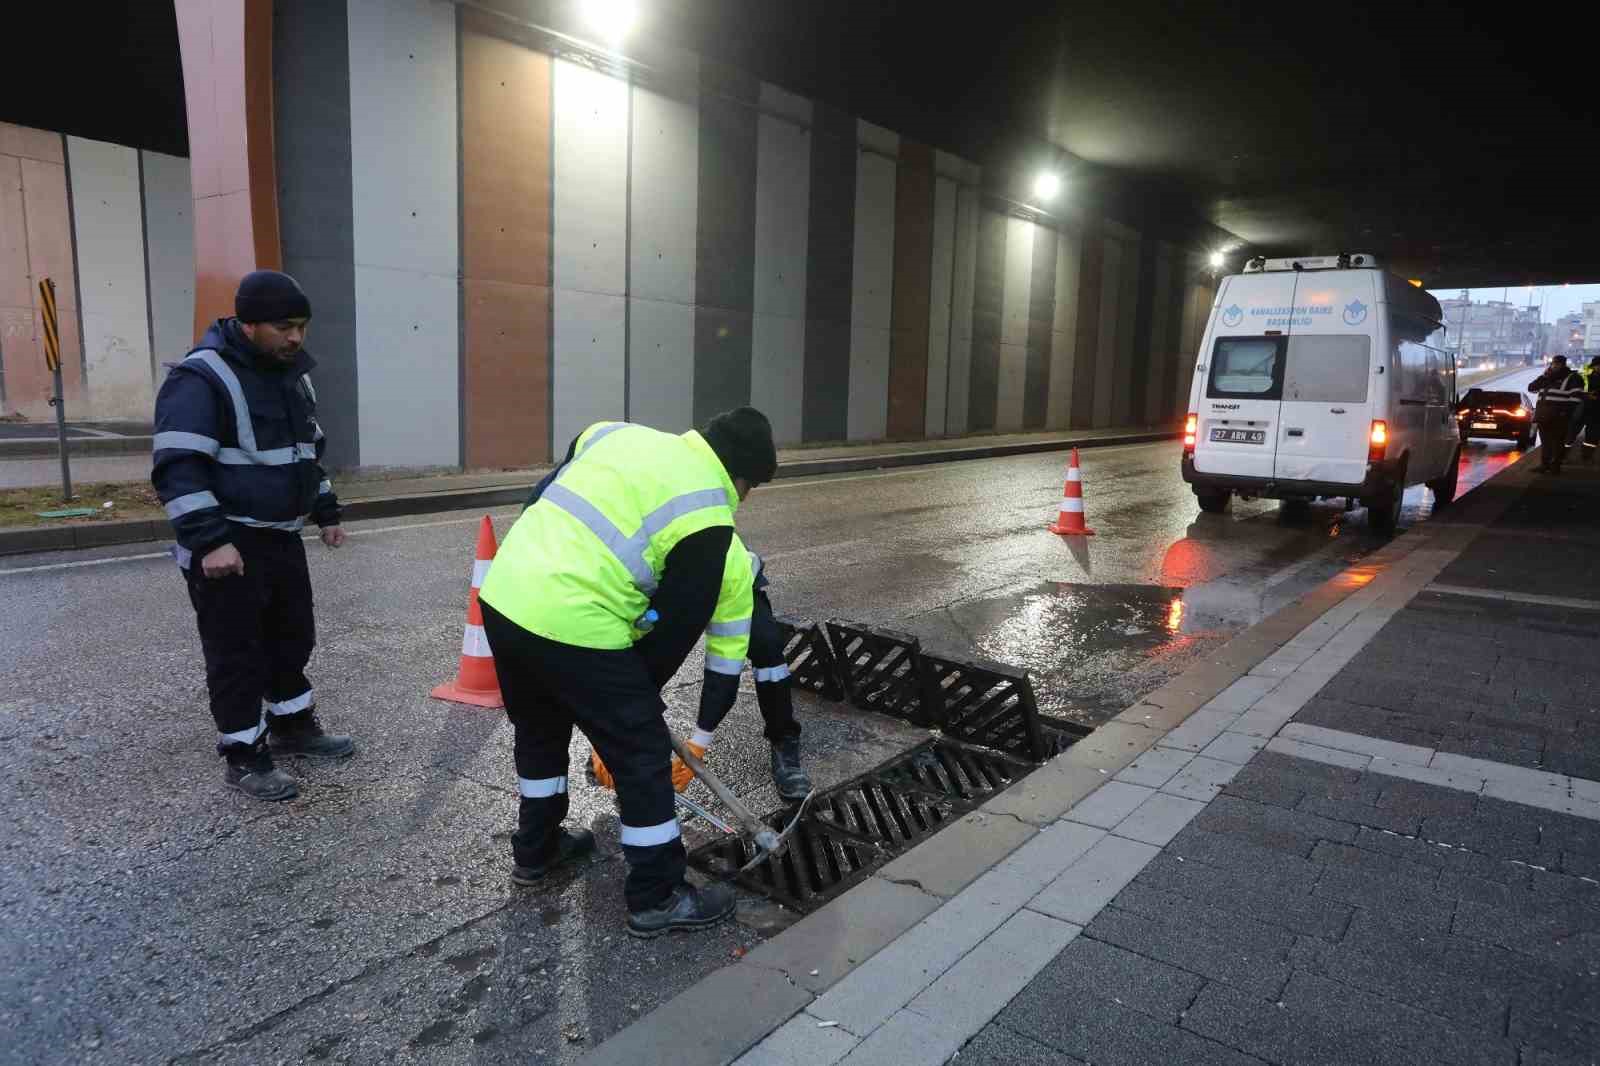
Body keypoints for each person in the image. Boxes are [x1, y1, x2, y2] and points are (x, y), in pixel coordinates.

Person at [479, 409, 778, 937]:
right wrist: (628, 715)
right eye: (750, 488)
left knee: (540, 729)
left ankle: (537, 848)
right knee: (641, 756)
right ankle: (658, 896)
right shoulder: (709, 519)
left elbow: (541, 497)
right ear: (740, 477)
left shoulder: (614, 434)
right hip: (577, 620)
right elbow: (672, 635)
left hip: (506, 596)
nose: (744, 499)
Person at [151, 270, 354, 802]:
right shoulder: (202, 378)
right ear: (247, 324)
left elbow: (307, 453)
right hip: (229, 543)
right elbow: (178, 467)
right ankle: (243, 755)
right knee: (237, 653)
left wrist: (326, 511)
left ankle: (292, 727)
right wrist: (210, 540)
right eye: (283, 327)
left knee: (292, 637)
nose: (295, 337)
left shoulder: (292, 376)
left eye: (301, 326)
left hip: (280, 538)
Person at [591, 534, 815, 803]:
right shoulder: (634, 566)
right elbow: (625, 653)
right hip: (666, 579)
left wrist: (699, 742)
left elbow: (725, 667)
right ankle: (626, 742)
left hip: (735, 580)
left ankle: (783, 737)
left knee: (766, 646)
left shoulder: (725, 571)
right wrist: (608, 733)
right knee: (648, 653)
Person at [1528, 355, 1587, 474]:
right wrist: (1544, 376)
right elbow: (1531, 388)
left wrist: (1564, 413)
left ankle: (1555, 467)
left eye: (1556, 364)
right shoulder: (1547, 377)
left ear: (1563, 364)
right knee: (1546, 443)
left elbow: (1576, 398)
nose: (1554, 366)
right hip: (1543, 416)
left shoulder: (1573, 378)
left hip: (1559, 417)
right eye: (1553, 364)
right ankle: (1544, 465)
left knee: (1558, 443)